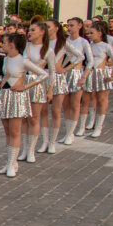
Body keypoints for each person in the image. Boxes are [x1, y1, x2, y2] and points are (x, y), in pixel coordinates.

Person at [0, 33, 48, 177]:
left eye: (4, 42)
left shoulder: (23, 61)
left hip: (17, 97)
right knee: (7, 131)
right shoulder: (5, 59)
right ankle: (10, 162)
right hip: (5, 96)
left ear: (12, 44)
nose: (2, 45)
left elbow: (43, 75)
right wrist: (1, 83)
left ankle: (12, 164)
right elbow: (6, 75)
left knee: (14, 131)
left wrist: (26, 86)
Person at [17, 22, 55, 162]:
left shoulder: (48, 51)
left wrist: (50, 90)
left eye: (33, 30)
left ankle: (31, 150)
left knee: (34, 118)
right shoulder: (26, 46)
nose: (30, 32)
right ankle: (24, 149)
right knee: (24, 118)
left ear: (42, 32)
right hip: (24, 83)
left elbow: (52, 72)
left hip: (38, 84)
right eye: (29, 30)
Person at [84, 21, 113, 137]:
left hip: (102, 74)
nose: (89, 35)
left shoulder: (106, 45)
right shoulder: (90, 45)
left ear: (99, 33)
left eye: (91, 33)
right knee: (91, 97)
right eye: (88, 33)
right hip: (92, 73)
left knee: (102, 99)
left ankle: (99, 126)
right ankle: (91, 121)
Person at [44, 20, 69, 151]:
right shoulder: (43, 42)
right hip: (44, 76)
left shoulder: (63, 43)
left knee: (56, 111)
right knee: (43, 112)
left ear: (56, 28)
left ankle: (52, 142)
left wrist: (65, 67)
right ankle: (44, 141)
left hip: (58, 78)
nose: (46, 29)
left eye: (48, 27)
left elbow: (80, 56)